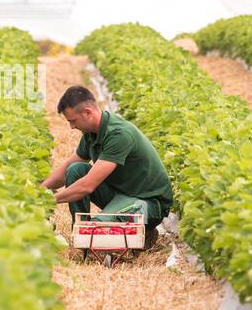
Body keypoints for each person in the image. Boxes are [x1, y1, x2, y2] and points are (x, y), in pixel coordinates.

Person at [42, 85, 175, 247]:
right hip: (120, 195)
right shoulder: (90, 134)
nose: (72, 127)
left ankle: (144, 231)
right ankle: (82, 237)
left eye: (73, 121)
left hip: (148, 202)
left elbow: (87, 186)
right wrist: (39, 192)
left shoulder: (119, 134)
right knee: (75, 170)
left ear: (88, 112)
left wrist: (48, 200)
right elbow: (66, 169)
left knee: (98, 227)